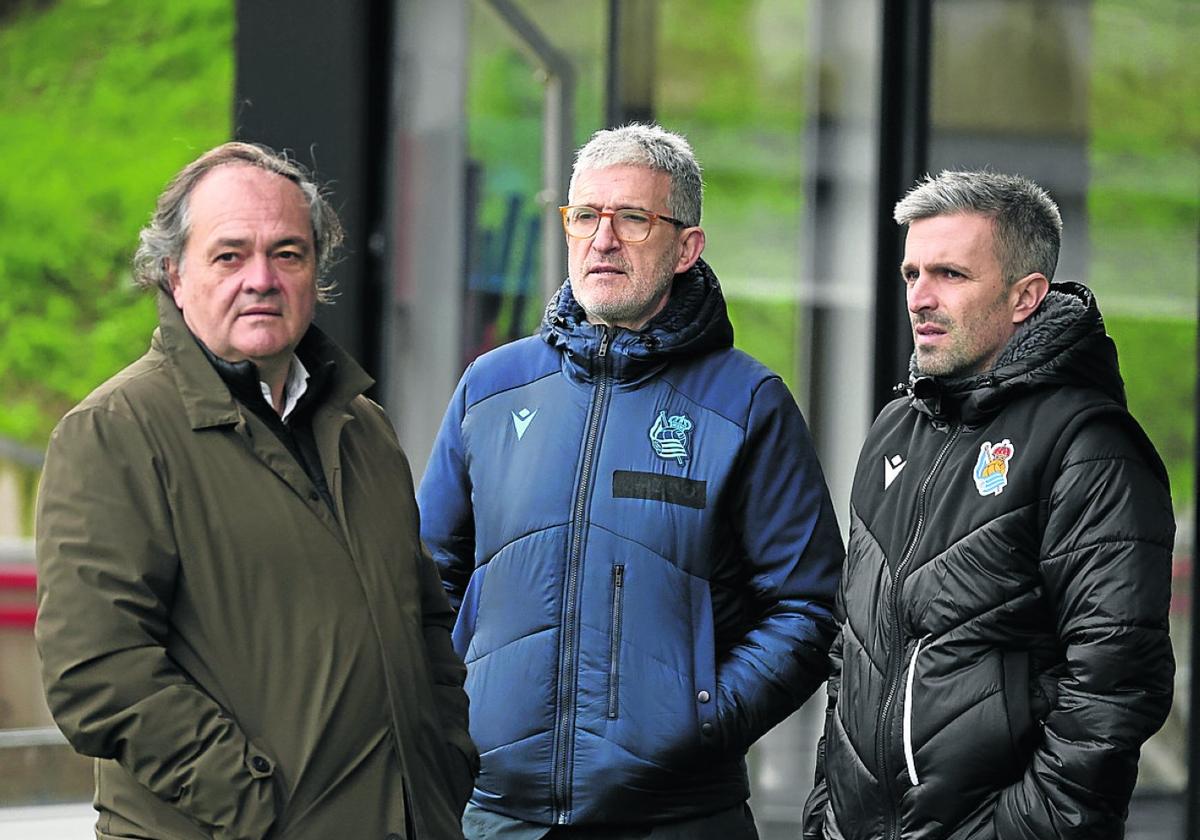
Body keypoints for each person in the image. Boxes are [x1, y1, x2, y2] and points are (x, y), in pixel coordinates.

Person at [35, 142, 477, 839]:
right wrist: (257, 805)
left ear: (315, 274)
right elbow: (98, 671)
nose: (262, 279)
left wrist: (445, 763)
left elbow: (422, 619)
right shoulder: (115, 434)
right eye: (229, 255)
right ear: (174, 275)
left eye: (288, 254)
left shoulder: (363, 427)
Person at [417, 123, 844, 839]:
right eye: (584, 215)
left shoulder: (744, 402)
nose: (602, 239)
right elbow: (426, 578)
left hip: (677, 818)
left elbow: (808, 606)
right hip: (493, 817)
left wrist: (698, 718)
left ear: (686, 248)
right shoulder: (491, 387)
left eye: (633, 218)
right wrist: (460, 713)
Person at [803, 170, 1175, 840]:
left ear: (1025, 296)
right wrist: (824, 817)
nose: (920, 297)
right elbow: (851, 656)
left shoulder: (1088, 445)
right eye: (911, 273)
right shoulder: (895, 428)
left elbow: (1116, 683)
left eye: (949, 274)